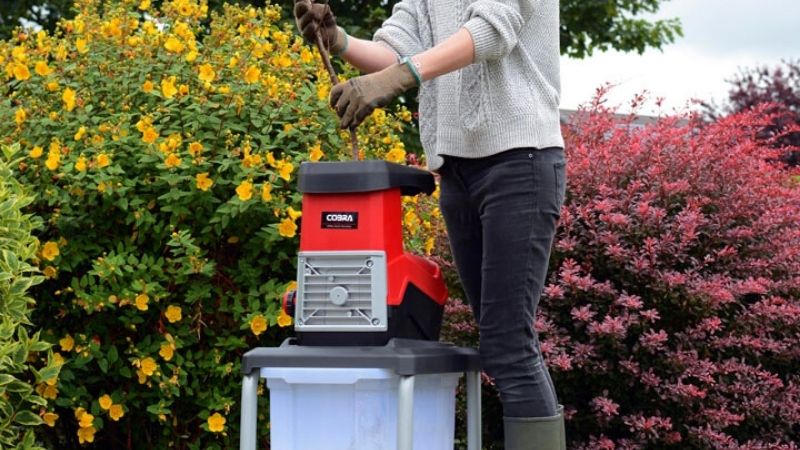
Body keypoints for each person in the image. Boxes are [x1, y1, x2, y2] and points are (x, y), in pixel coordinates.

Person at [294, 1, 567, 448]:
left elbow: (490, 32)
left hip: (522, 162)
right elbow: (396, 48)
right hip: (458, 172)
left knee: (508, 347)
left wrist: (400, 77)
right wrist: (337, 39)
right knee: (500, 344)